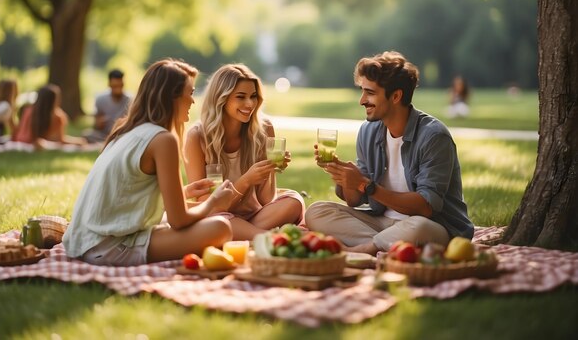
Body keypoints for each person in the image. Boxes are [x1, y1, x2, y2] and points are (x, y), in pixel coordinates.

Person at [63, 59, 234, 266]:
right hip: (108, 247)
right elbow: (179, 221)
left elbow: (125, 195)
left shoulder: (126, 131)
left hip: (85, 241)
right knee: (220, 228)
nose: (193, 101)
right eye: (189, 93)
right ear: (172, 97)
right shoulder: (163, 140)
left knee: (207, 224)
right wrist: (214, 202)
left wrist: (184, 193)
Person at [305, 51, 474, 255]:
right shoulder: (368, 131)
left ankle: (365, 248)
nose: (362, 100)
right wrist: (343, 176)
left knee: (418, 227)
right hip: (383, 223)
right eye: (362, 91)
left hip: (431, 225)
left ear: (395, 96)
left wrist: (365, 185)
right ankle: (384, 247)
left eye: (370, 93)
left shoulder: (434, 137)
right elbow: (354, 200)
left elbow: (426, 207)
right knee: (317, 212)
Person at [185, 64, 305, 240]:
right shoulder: (197, 137)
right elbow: (207, 206)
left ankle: (246, 235)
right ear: (221, 98)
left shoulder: (264, 129)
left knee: (294, 201)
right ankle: (273, 238)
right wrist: (246, 180)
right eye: (241, 97)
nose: (249, 104)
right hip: (219, 216)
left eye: (253, 96)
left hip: (256, 215)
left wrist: (269, 168)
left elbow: (266, 200)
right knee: (217, 221)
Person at [13, 84, 87, 148]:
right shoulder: (57, 116)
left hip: (21, 141)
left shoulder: (28, 110)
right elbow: (59, 140)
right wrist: (77, 141)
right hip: (34, 144)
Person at [84, 69, 132, 143]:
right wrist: (99, 123)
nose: (118, 90)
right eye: (115, 86)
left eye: (120, 86)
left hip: (121, 134)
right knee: (87, 134)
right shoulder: (100, 99)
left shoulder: (130, 100)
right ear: (109, 84)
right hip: (104, 134)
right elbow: (96, 125)